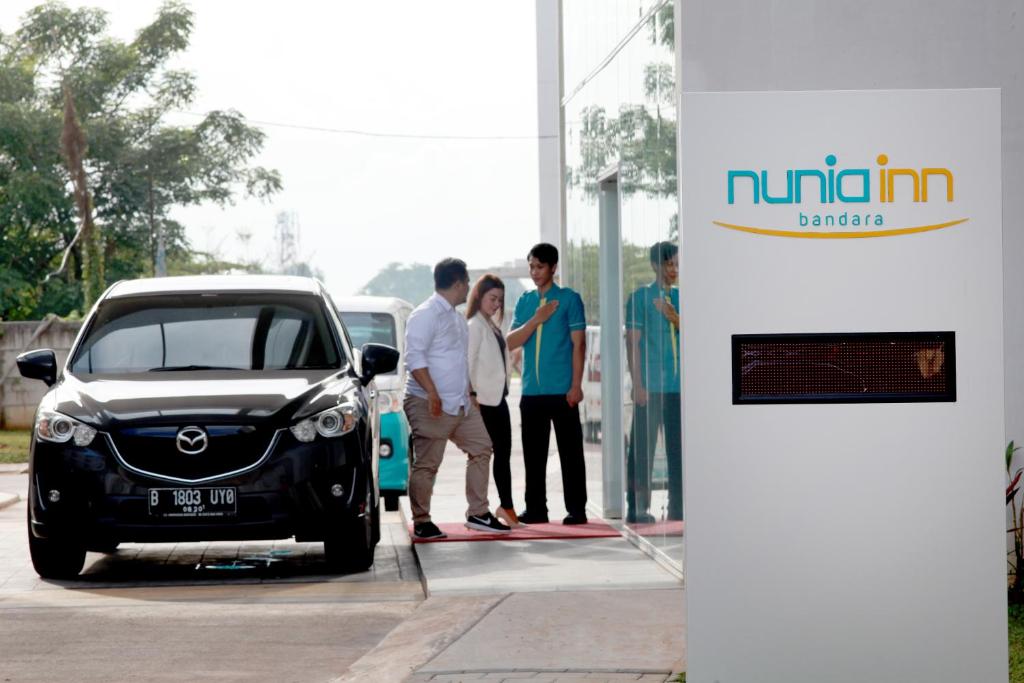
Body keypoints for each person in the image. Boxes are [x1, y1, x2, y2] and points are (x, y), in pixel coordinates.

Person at [404, 258, 510, 539]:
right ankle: (422, 521)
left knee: (482, 447)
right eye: (467, 282)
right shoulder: (425, 314)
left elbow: (459, 361)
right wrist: (432, 392)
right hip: (429, 402)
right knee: (428, 463)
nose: (469, 288)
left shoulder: (455, 317)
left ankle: (478, 513)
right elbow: (414, 358)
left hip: (461, 403)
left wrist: (470, 394)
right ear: (459, 283)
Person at [507, 243, 588, 525]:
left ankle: (577, 509)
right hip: (531, 391)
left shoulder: (569, 299)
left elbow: (579, 346)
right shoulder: (525, 301)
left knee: (571, 453)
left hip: (563, 390)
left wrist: (576, 385)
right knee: (533, 455)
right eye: (531, 266)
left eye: (540, 267)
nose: (534, 272)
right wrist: (536, 319)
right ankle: (536, 509)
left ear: (553, 268)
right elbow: (511, 342)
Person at [625, 241, 683, 523]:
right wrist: (637, 385)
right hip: (650, 387)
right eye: (669, 264)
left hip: (679, 388)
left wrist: (674, 317)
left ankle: (679, 507)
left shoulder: (684, 298)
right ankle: (637, 508)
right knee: (642, 452)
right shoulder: (640, 298)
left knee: (680, 451)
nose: (674, 270)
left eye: (676, 264)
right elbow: (632, 344)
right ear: (655, 265)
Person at [466, 274, 520, 528]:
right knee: (483, 455)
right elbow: (467, 363)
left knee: (503, 454)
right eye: (492, 298)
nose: (497, 304)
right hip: (483, 401)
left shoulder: (490, 325)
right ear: (479, 297)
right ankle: (480, 509)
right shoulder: (474, 326)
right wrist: (471, 396)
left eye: (500, 300)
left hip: (498, 399)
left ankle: (506, 507)